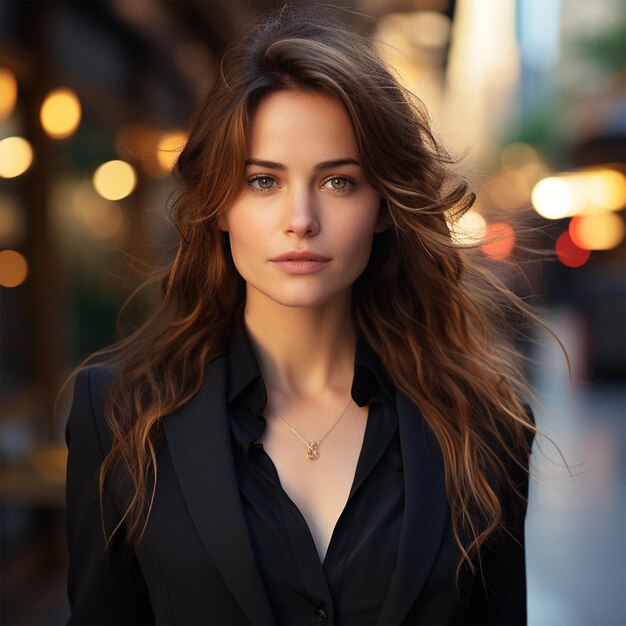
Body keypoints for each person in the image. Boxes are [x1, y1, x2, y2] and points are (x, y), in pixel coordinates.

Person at [64, 5, 544, 625]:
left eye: (338, 182)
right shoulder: (118, 417)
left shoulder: (486, 429)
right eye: (263, 181)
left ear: (383, 206)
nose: (301, 218)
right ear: (219, 205)